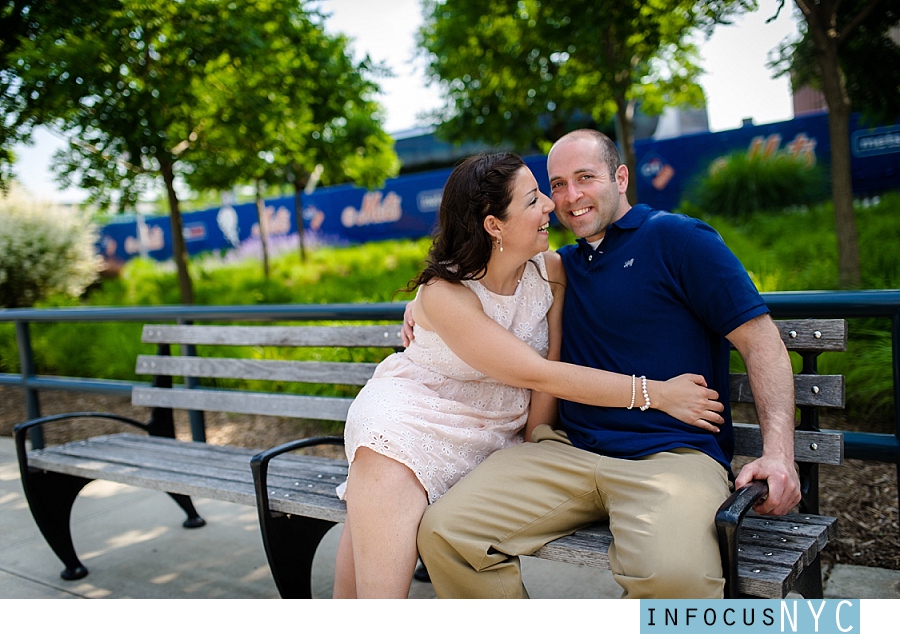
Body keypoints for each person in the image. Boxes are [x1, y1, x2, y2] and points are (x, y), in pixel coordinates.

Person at [414, 130, 802, 599]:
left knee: (677, 580)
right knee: (445, 532)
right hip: (567, 452)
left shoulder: (680, 239)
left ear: (620, 178)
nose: (570, 197)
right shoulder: (558, 266)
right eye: (556, 185)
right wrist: (420, 303)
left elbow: (761, 341)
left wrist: (780, 455)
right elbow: (471, 276)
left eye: (585, 178)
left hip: (671, 458)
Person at [333, 152, 725, 598]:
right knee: (385, 479)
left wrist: (536, 439)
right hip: (416, 412)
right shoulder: (445, 294)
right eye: (534, 197)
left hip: (497, 425)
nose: (549, 206)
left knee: (371, 513)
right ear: (494, 226)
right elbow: (543, 373)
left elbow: (552, 359)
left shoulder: (551, 269)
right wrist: (657, 394)